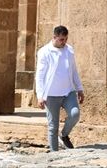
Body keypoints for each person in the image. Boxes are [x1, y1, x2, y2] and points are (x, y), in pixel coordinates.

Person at [35, 24, 84, 152]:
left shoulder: (69, 50)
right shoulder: (44, 52)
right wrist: (40, 95)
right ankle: (54, 154)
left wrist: (79, 88)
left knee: (75, 114)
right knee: (53, 126)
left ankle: (64, 135)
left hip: (68, 92)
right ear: (54, 37)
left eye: (66, 39)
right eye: (61, 39)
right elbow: (40, 76)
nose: (64, 42)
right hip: (51, 94)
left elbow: (74, 71)